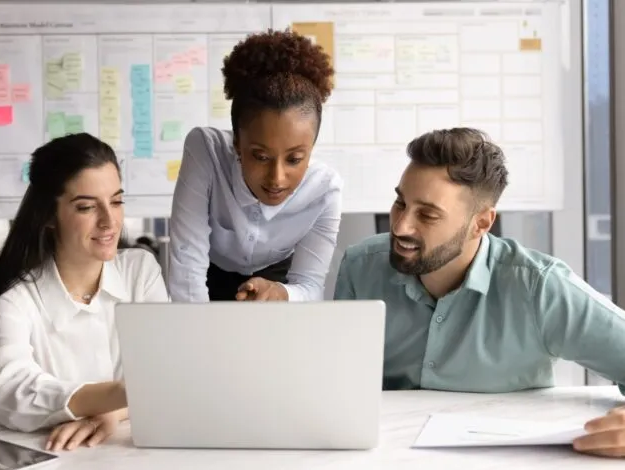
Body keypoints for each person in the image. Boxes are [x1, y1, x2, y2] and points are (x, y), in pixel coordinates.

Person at [334, 127, 625, 458]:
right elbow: (338, 386)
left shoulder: (539, 287)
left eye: (427, 214)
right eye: (401, 202)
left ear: (481, 224)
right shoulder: (361, 267)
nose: (400, 226)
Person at [0, 133, 169, 451]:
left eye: (117, 201)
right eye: (86, 207)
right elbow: (10, 392)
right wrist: (123, 395)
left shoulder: (140, 271)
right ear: (49, 216)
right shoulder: (15, 303)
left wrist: (108, 416)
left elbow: (168, 372)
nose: (109, 221)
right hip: (57, 457)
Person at [168, 29, 342, 302]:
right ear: (237, 143)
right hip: (208, 275)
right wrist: (196, 337)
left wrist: (283, 293)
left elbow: (310, 286)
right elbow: (187, 265)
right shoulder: (206, 151)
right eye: (260, 157)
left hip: (278, 283)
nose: (277, 178)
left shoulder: (325, 191)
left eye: (295, 159)